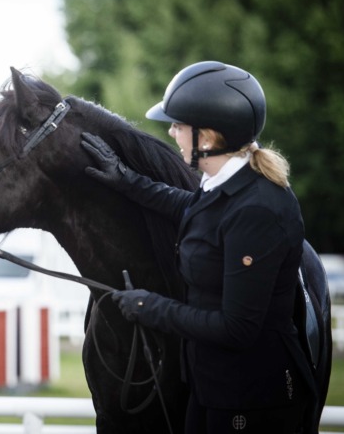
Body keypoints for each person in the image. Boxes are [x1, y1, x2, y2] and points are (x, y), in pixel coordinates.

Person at [81, 61, 318, 434]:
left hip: (252, 399)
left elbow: (237, 328)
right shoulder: (224, 187)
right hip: (212, 388)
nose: (172, 132)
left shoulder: (257, 209)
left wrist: (150, 307)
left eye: (178, 125)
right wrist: (125, 179)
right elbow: (188, 207)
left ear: (206, 138)